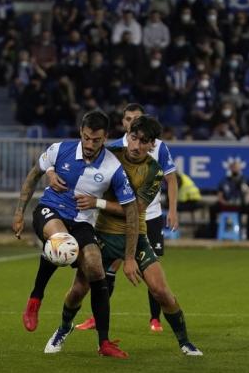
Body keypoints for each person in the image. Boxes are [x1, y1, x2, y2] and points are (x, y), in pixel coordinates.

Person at [44, 115, 202, 357]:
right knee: (78, 289)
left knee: (161, 292)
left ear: (152, 145)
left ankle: (185, 341)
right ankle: (63, 329)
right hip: (100, 235)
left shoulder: (154, 171)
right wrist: (51, 170)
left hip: (134, 236)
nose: (137, 146)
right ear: (127, 135)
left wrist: (97, 202)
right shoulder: (109, 154)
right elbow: (74, 155)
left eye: (144, 141)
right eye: (134, 138)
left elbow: (135, 210)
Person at [13, 110, 141, 357]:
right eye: (86, 138)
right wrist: (19, 212)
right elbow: (33, 175)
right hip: (50, 210)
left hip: (82, 222)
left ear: (105, 138)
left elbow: (131, 210)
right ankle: (35, 299)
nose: (90, 144)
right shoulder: (60, 150)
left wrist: (130, 255)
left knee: (95, 267)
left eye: (96, 140)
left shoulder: (113, 167)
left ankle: (104, 343)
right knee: (63, 242)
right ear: (81, 133)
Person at [74, 103, 179, 333]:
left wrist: (172, 210)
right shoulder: (112, 149)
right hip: (112, 220)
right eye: (128, 119)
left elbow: (170, 178)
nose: (132, 122)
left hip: (148, 216)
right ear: (123, 123)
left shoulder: (158, 147)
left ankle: (155, 318)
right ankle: (96, 316)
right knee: (106, 268)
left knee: (151, 272)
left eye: (136, 118)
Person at [209, 161, 249, 240]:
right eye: (233, 167)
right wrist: (224, 202)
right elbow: (220, 195)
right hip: (227, 204)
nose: (235, 169)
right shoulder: (225, 180)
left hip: (241, 204)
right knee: (212, 208)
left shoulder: (245, 179)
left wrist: (248, 191)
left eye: (237, 167)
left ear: (240, 168)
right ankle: (212, 233)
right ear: (230, 169)